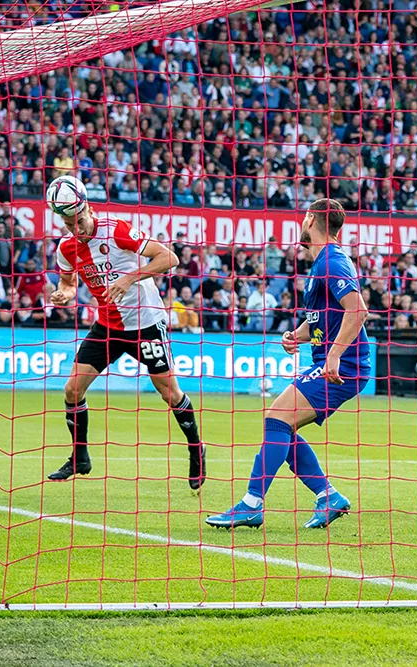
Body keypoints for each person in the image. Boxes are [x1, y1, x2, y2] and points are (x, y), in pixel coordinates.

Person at [206, 199, 370, 529]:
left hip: (344, 366)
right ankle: (328, 497)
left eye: (304, 216)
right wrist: (298, 334)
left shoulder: (332, 262)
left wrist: (335, 354)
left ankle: (252, 504)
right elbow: (326, 315)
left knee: (276, 418)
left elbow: (358, 310)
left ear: (310, 219)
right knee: (283, 424)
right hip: (334, 361)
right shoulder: (325, 261)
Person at [44, 176, 205, 492]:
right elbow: (68, 283)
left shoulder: (116, 229)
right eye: (65, 221)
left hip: (145, 323)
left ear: (87, 207)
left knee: (169, 393)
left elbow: (167, 257)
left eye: (76, 218)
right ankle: (80, 458)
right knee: (72, 390)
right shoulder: (66, 249)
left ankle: (196, 448)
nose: (73, 226)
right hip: (108, 326)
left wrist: (129, 279)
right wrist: (63, 293)